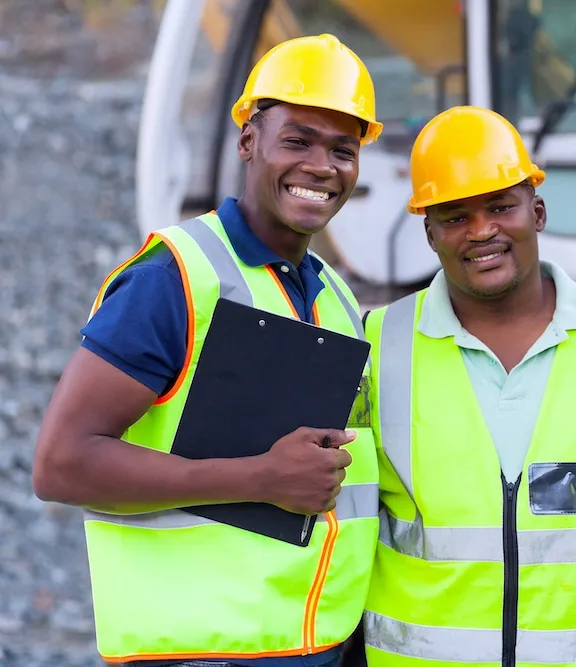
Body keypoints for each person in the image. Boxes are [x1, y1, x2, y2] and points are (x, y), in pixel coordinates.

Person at [32, 34, 382, 667]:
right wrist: (259, 478)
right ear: (248, 140)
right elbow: (61, 464)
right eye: (297, 140)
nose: (322, 166)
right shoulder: (175, 278)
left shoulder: (334, 293)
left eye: (343, 149)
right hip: (202, 654)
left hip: (317, 648)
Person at [359, 106, 576, 666]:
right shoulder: (376, 348)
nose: (482, 231)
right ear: (429, 233)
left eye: (501, 206)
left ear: (539, 211)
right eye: (455, 217)